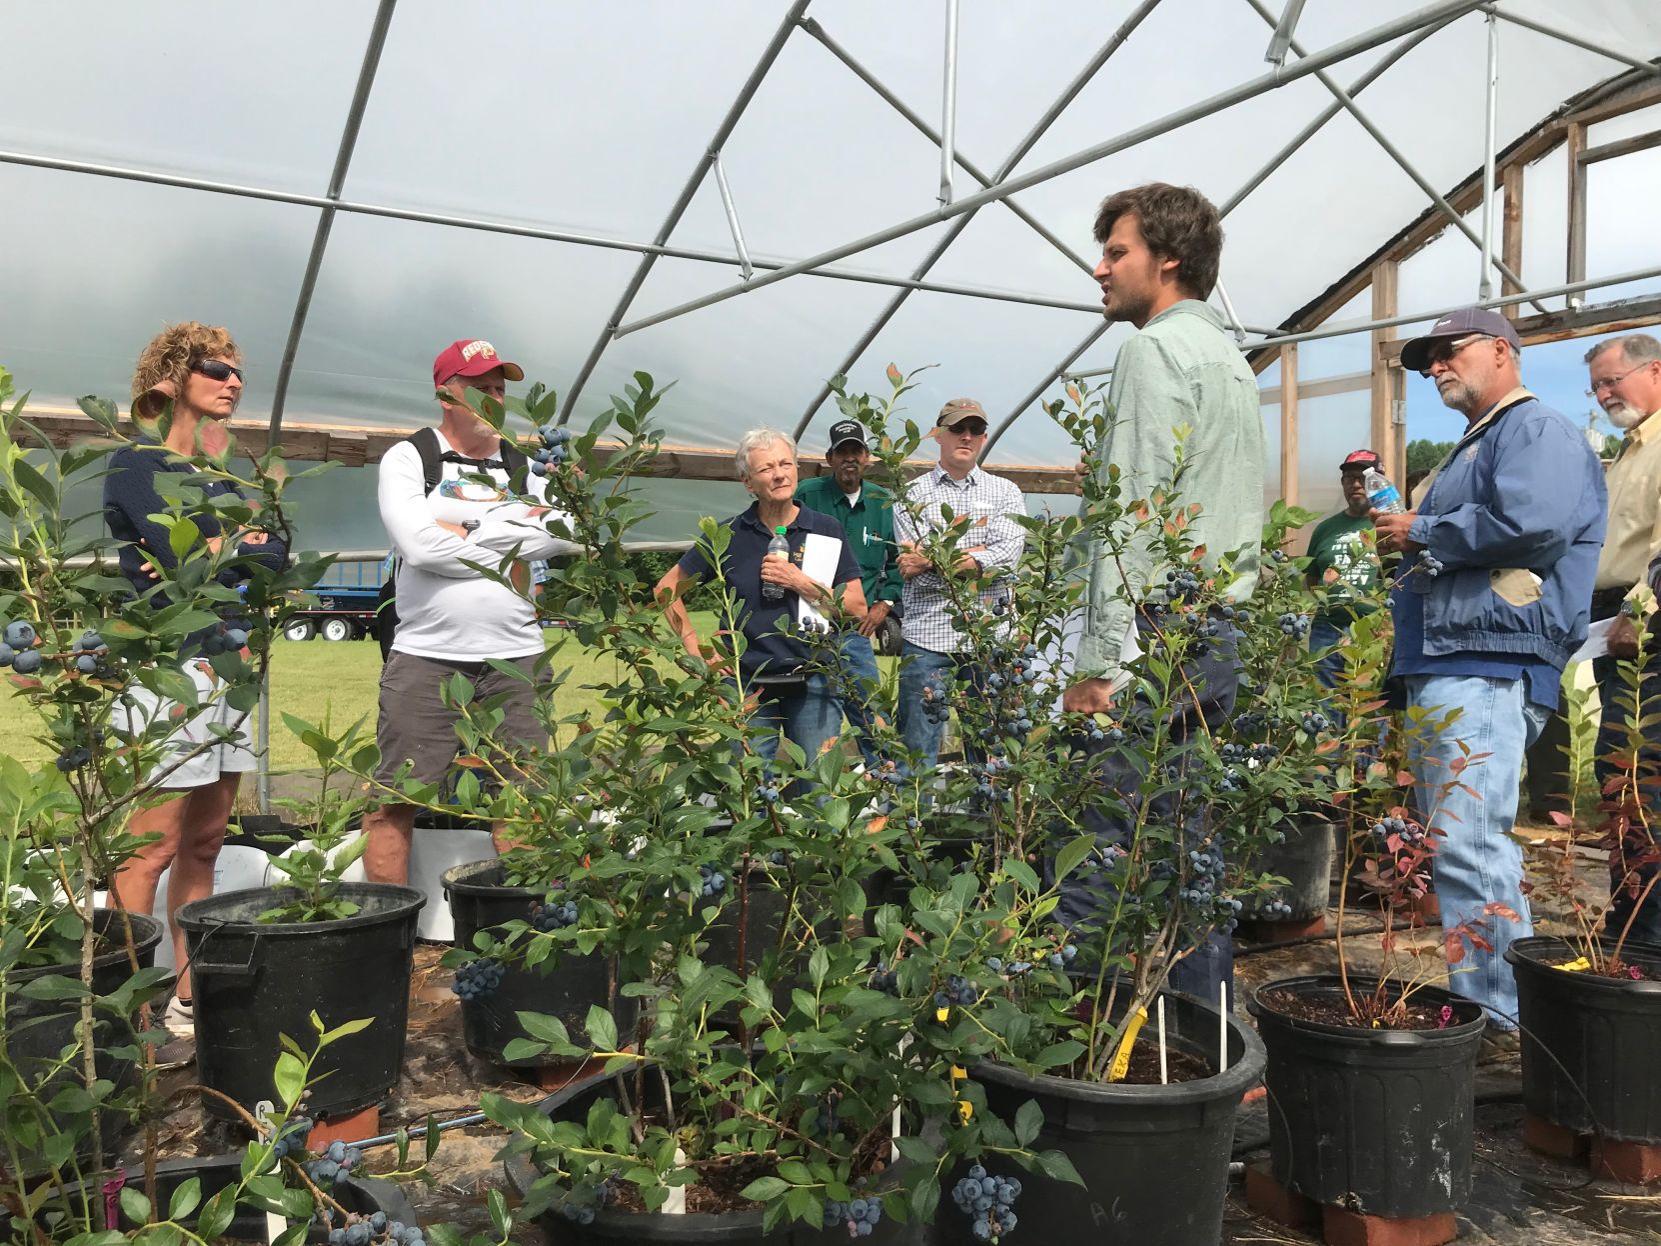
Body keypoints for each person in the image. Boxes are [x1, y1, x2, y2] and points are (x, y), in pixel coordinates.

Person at [1058, 183, 1265, 1003]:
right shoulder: (1229, 361)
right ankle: (1202, 1034)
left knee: (1100, 841)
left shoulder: (1152, 351)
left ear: (1166, 259)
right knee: (1190, 842)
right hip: (1215, 629)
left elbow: (1135, 515)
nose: (1099, 268)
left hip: (1153, 632)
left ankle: (1076, 1046)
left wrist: (1099, 662)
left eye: (1116, 252)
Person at [1376, 306, 1605, 1043]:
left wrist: (1423, 530)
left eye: (1449, 351)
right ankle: (1495, 1008)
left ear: (1502, 352)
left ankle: (1499, 1021)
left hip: (1486, 663)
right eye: (1424, 360)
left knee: (1471, 845)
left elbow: (1532, 524)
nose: (1435, 366)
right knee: (1461, 844)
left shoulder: (1532, 429)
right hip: (1455, 659)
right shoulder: (1479, 442)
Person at [106, 322, 289, 1040]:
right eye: (217, 369)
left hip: (229, 665)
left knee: (206, 841)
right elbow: (191, 560)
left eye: (238, 372)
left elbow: (270, 553)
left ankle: (187, 999)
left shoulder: (220, 475)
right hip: (169, 669)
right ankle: (131, 1006)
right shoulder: (136, 464)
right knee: (148, 846)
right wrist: (233, 545)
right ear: (172, 376)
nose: (233, 382)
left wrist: (234, 545)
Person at [363, 340, 576, 884]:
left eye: (501, 389)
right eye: (482, 388)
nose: (496, 399)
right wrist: (514, 532)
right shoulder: (411, 457)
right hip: (427, 659)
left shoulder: (525, 464)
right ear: (446, 394)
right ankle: (389, 940)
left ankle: (519, 929)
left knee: (523, 799)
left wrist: (470, 530)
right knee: (394, 802)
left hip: (518, 661)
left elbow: (566, 532)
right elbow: (419, 548)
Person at [655, 429, 866, 772]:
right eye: (766, 468)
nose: (779, 473)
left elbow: (856, 608)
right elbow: (666, 591)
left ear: (797, 469)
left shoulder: (825, 529)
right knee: (749, 791)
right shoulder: (728, 535)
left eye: (786, 463)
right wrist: (698, 656)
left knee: (818, 790)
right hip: (746, 686)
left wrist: (799, 581)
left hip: (814, 680)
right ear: (747, 482)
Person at [893, 399, 1026, 770]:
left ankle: (990, 825)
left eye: (975, 430)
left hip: (989, 635)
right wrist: (979, 550)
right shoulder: (911, 494)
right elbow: (909, 562)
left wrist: (935, 557)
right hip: (928, 636)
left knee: (993, 745)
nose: (966, 436)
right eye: (957, 429)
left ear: (983, 438)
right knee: (916, 745)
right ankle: (911, 821)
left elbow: (1007, 558)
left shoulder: (1007, 492)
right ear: (938, 435)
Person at [1584, 334, 1661, 941]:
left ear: (1654, 369)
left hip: (1646, 629)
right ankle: (1630, 912)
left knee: (1637, 770)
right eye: (1598, 387)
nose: (1605, 394)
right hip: (1616, 623)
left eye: (1613, 381)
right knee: (1619, 770)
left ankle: (1644, 930)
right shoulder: (1632, 449)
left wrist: (1637, 611)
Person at [794, 419, 903, 766]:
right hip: (808, 631)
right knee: (818, 721)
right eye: (842, 452)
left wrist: (884, 603)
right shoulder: (807, 495)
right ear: (829, 458)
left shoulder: (883, 503)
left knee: (872, 716)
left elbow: (901, 561)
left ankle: (883, 789)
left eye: (856, 451)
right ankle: (821, 795)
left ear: (868, 458)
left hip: (856, 630)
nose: (849, 459)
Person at [1305, 450, 1386, 688]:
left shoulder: (1388, 525)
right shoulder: (1325, 529)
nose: (1356, 484)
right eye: (1350, 478)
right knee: (1325, 706)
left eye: (1363, 478)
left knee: (1367, 709)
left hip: (1372, 630)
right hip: (1326, 630)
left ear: (1378, 481)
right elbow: (1311, 577)